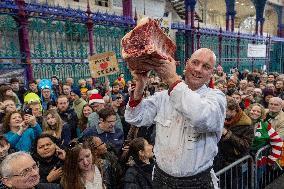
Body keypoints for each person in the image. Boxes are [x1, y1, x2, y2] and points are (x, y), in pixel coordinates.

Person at [125, 48, 226, 188]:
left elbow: (200, 117)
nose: (198, 69)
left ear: (211, 73)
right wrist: (140, 85)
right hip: (161, 179)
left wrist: (172, 78)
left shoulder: (216, 98)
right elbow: (135, 117)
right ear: (186, 64)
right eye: (195, 63)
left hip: (196, 183)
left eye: (206, 67)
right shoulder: (163, 97)